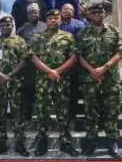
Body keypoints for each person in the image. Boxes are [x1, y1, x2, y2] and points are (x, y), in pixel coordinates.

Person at [28, 9, 79, 157]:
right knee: (42, 111)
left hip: (61, 80)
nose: (53, 20)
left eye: (56, 18)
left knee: (63, 111)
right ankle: (42, 140)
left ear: (60, 20)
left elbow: (74, 57)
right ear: (46, 20)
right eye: (50, 18)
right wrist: (48, 71)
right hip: (43, 80)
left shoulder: (68, 37)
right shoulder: (38, 37)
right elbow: (33, 57)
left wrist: (57, 71)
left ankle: (65, 142)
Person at [77, 3, 122, 158]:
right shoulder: (83, 32)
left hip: (110, 78)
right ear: (88, 15)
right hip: (90, 78)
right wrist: (92, 70)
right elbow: (78, 55)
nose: (98, 14)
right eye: (95, 12)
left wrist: (103, 68)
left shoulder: (113, 30)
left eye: (101, 11)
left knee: (112, 111)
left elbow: (119, 53)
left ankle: (112, 142)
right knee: (91, 111)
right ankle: (92, 140)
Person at [0, 16, 29, 157]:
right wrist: (0, 75)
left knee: (18, 113)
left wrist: (9, 75)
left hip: (16, 82)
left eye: (8, 24)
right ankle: (1, 143)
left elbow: (24, 60)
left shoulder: (19, 41)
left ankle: (19, 143)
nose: (5, 27)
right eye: (2, 25)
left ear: (12, 26)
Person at [17, 3, 47, 121]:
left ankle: (43, 117)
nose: (34, 14)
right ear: (27, 15)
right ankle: (28, 115)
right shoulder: (21, 29)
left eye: (36, 12)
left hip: (43, 64)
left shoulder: (45, 27)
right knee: (28, 90)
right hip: (28, 66)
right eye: (31, 12)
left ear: (39, 13)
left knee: (42, 91)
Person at [59, 3, 86, 126]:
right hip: (58, 63)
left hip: (74, 63)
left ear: (73, 12)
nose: (65, 11)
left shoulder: (80, 25)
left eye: (68, 9)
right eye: (63, 9)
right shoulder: (56, 24)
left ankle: (72, 114)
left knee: (73, 91)